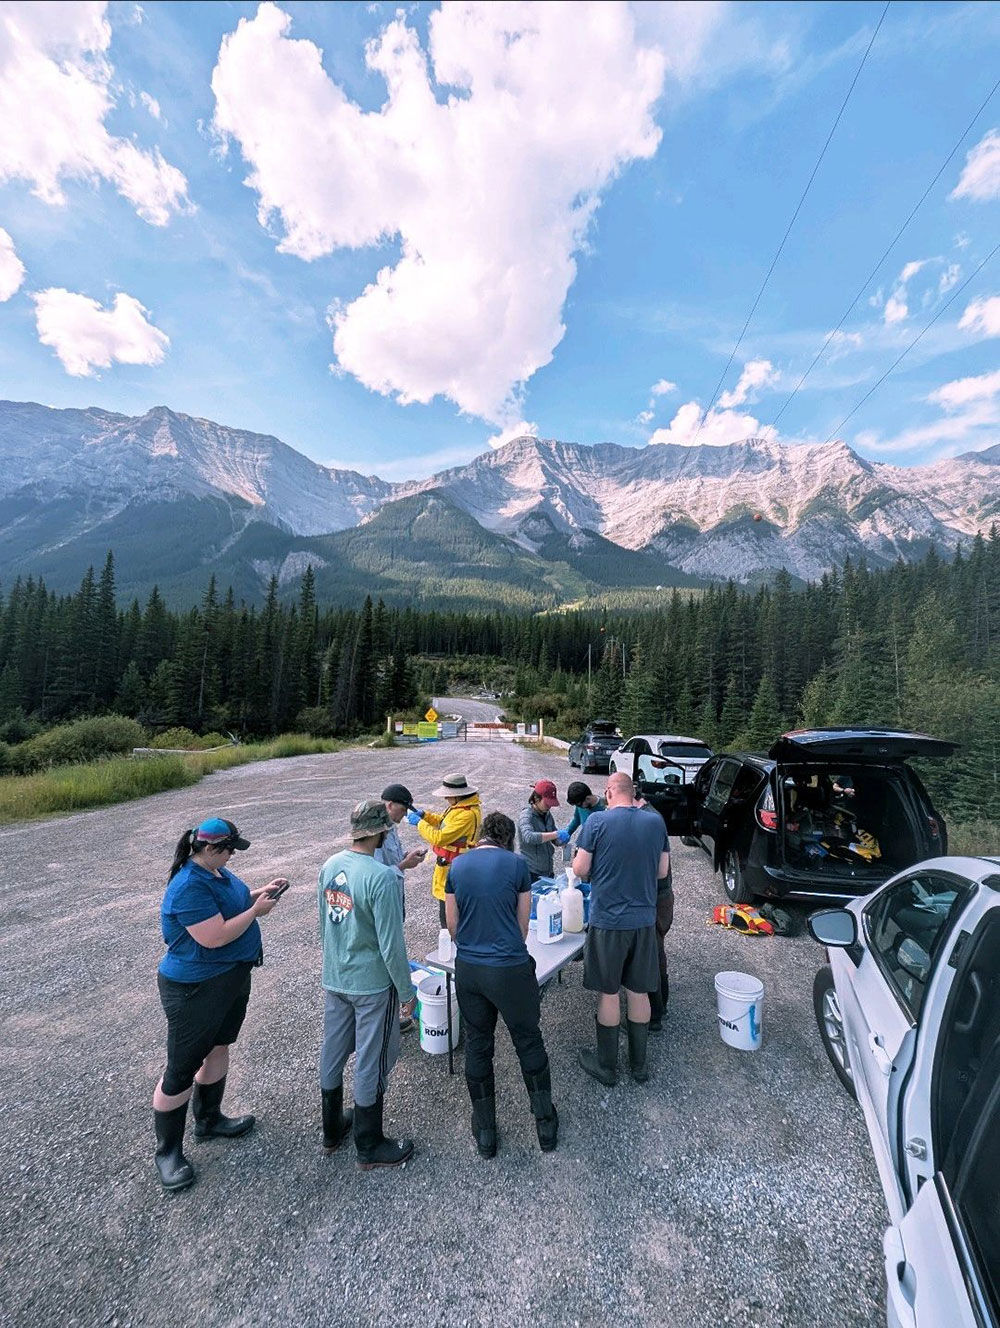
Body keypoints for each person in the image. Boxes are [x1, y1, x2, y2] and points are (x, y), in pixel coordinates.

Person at [153, 817, 288, 1193]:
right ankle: (167, 1152)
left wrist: (260, 892)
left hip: (227, 979)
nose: (233, 854)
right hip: (195, 987)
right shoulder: (188, 887)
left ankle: (209, 1120)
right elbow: (214, 936)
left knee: (218, 1048)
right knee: (181, 1068)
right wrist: (256, 912)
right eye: (230, 849)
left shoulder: (216, 873)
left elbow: (230, 905)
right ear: (211, 849)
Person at [445, 811, 558, 1157]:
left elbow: (452, 927)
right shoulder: (517, 865)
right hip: (509, 967)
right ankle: (545, 1123)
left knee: (479, 1045)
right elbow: (523, 926)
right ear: (508, 839)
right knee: (527, 1040)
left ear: (481, 836)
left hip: (470, 969)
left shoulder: (457, 868)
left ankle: (487, 1133)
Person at [318, 799, 417, 1170]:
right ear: (381, 831)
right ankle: (369, 1144)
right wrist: (406, 993)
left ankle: (331, 1131)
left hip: (336, 976)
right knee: (371, 1060)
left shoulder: (330, 866)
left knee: (334, 1050)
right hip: (371, 984)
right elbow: (392, 946)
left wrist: (333, 965)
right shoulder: (381, 877)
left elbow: (324, 926)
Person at [572, 772, 670, 1086]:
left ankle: (607, 1067)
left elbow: (581, 869)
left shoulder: (597, 822)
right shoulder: (655, 822)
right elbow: (661, 871)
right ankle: (639, 1067)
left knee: (610, 992)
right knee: (638, 991)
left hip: (608, 922)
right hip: (643, 922)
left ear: (609, 792)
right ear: (631, 791)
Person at [376, 782, 429, 1032]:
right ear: (389, 805)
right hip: (383, 904)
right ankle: (387, 1020)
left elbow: (393, 859)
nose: (405, 813)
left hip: (396, 898)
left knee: (392, 955)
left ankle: (391, 1013)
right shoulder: (375, 834)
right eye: (403, 808)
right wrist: (403, 866)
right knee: (386, 958)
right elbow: (373, 875)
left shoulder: (390, 827)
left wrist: (407, 856)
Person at [406, 772, 482, 926]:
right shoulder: (458, 808)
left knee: (450, 920)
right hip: (449, 868)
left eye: (448, 796)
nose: (446, 799)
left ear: (458, 795)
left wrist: (420, 823)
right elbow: (443, 821)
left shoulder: (466, 815)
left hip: (456, 870)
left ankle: (454, 946)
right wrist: (426, 816)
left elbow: (438, 838)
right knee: (447, 913)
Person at [516, 780, 570, 883]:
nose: (549, 806)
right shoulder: (526, 816)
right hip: (531, 872)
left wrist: (560, 841)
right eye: (547, 803)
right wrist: (556, 834)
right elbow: (528, 837)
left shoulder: (547, 815)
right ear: (536, 798)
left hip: (548, 870)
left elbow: (553, 836)